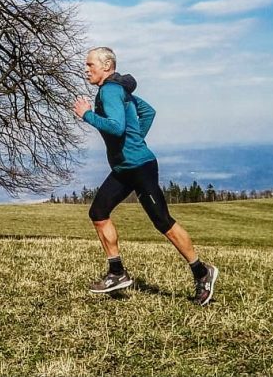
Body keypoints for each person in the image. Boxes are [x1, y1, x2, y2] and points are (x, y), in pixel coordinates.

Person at [72, 46, 218, 305]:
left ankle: (202, 272)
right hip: (124, 168)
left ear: (107, 66)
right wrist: (136, 138)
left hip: (139, 167)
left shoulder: (110, 91)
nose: (86, 69)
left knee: (163, 222)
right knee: (98, 212)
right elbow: (148, 112)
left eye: (90, 65)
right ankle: (117, 272)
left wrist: (88, 115)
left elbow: (116, 128)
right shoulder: (120, 90)